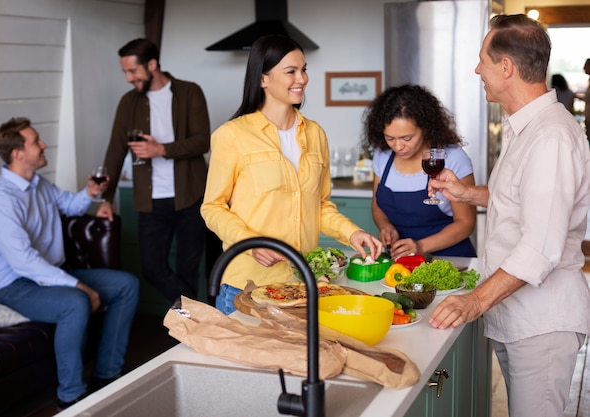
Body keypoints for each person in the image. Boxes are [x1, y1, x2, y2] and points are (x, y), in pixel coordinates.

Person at [429, 15, 590, 417]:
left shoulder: (550, 136)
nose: (476, 69)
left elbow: (541, 247)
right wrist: (468, 192)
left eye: (483, 59)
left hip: (542, 323)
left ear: (506, 67)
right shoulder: (527, 128)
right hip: (518, 317)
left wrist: (473, 302)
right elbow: (525, 201)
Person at [201, 35, 383, 315]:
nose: (302, 78)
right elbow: (212, 207)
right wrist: (250, 243)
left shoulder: (315, 133)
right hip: (246, 286)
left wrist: (352, 233)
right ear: (263, 79)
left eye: (304, 69)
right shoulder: (232, 135)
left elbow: (319, 205)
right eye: (291, 71)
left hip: (301, 285)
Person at [0, 117, 140, 409]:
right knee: (75, 302)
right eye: (36, 141)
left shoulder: (39, 184)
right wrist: (79, 286)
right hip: (13, 285)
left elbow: (69, 204)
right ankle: (72, 395)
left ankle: (107, 374)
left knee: (127, 285)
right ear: (17, 154)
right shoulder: (1, 200)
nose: (44, 145)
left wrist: (91, 195)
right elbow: (24, 263)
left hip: (51, 275)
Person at [98, 38, 210, 304]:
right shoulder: (128, 103)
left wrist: (162, 150)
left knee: (189, 269)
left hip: (191, 197)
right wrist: (106, 199)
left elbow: (203, 141)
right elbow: (115, 151)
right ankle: (197, 317)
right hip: (150, 201)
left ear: (152, 64)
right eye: (125, 71)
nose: (128, 78)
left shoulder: (189, 92)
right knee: (151, 267)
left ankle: (185, 335)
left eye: (132, 71)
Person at [361, 84, 477, 259]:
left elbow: (466, 223)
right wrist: (386, 227)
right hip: (402, 260)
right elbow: (377, 205)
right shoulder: (382, 156)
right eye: (390, 138)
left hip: (452, 260)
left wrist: (421, 246)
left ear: (425, 127)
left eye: (407, 138)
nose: (398, 146)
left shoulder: (452, 157)